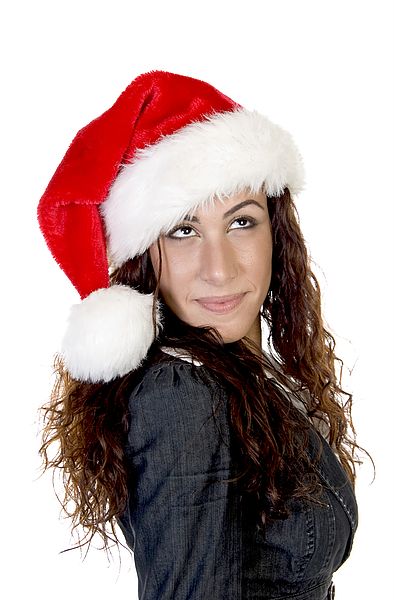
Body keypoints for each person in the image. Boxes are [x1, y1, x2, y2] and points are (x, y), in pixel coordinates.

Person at [38, 70, 359, 600]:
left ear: (276, 234)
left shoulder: (249, 378)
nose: (220, 268)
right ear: (145, 258)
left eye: (241, 222)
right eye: (183, 231)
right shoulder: (182, 396)